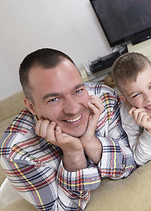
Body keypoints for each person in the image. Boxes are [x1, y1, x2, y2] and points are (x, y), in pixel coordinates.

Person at [0, 48, 136, 210]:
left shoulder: (103, 97)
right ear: (32, 107)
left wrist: (90, 141)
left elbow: (129, 164)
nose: (73, 109)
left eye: (78, 90)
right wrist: (73, 154)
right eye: (54, 99)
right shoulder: (16, 152)